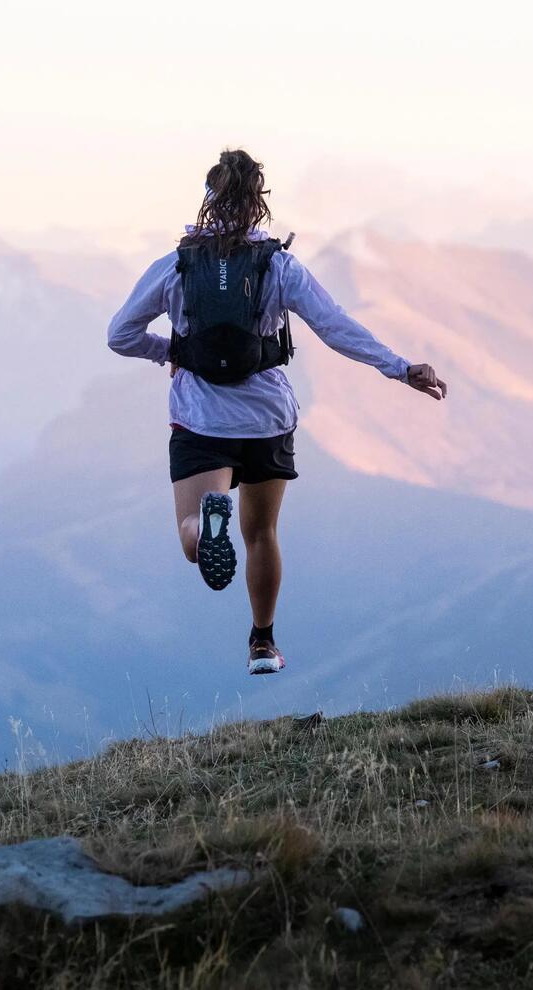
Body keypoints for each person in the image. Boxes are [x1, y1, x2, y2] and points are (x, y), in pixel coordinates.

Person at [107, 148, 447, 675]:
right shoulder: (278, 265)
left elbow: (120, 335)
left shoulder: (176, 266)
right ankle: (263, 645)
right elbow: (336, 327)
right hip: (267, 418)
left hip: (201, 420)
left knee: (192, 534)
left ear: (207, 201)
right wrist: (401, 368)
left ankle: (207, 521)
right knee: (262, 534)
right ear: (256, 205)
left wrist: (171, 352)